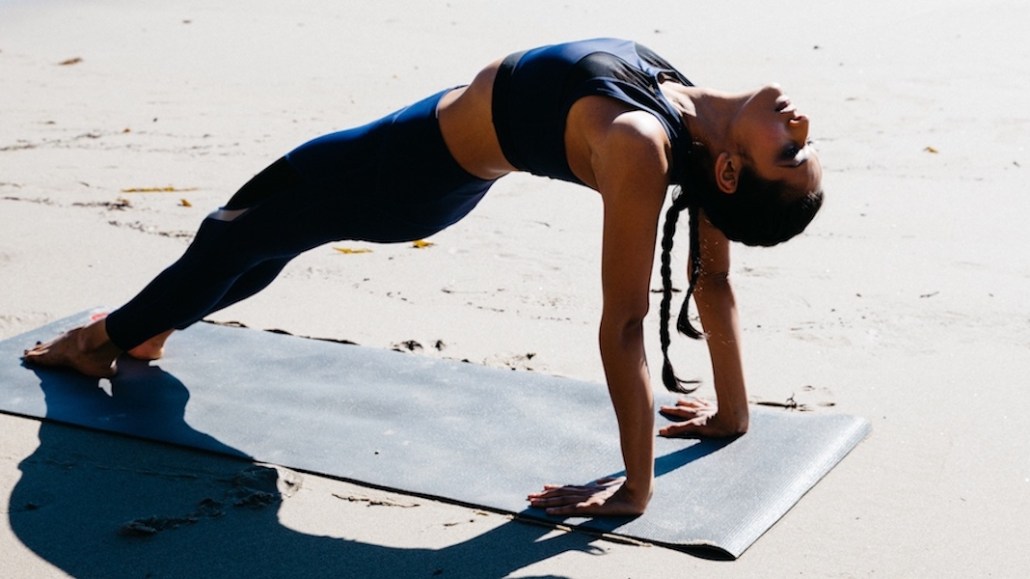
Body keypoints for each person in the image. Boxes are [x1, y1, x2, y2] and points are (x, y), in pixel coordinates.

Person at [23, 38, 823, 517]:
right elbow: (713, 282)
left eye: (789, 152)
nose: (800, 124)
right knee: (255, 239)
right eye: (804, 143)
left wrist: (635, 488)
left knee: (236, 232)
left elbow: (624, 323)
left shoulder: (642, 144)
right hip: (420, 149)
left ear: (730, 170)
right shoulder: (687, 120)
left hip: (404, 174)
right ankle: (148, 330)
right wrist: (733, 414)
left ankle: (101, 342)